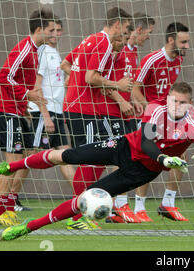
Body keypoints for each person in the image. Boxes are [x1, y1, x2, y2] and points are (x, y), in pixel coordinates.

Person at [0, 82, 194, 241]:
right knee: (68, 155)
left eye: (182, 102)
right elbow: (147, 143)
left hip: (140, 173)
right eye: (173, 100)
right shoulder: (156, 109)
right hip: (123, 147)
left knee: (83, 199)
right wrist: (164, 158)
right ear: (168, 100)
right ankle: (9, 166)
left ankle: (28, 227)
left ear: (189, 104)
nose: (176, 106)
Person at [59, 7, 133, 230]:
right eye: (127, 29)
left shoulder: (89, 39)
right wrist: (117, 85)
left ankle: (82, 211)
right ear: (117, 25)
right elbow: (92, 78)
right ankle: (76, 216)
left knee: (96, 159)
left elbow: (65, 63)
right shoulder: (104, 43)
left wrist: (75, 82)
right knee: (91, 159)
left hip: (80, 107)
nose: (127, 35)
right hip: (84, 109)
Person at [0, 9, 58, 226]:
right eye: (51, 30)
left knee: (27, 159)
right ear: (39, 29)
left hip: (18, 111)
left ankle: (9, 208)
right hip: (6, 111)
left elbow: (19, 81)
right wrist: (28, 95)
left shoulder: (37, 51)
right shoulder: (24, 49)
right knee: (12, 164)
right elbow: (4, 76)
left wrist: (25, 105)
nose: (55, 35)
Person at [131, 22, 191, 222]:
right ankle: (139, 207)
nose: (187, 46)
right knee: (146, 161)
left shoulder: (177, 61)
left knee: (181, 155)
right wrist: (152, 111)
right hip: (150, 118)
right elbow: (135, 90)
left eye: (188, 42)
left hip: (168, 118)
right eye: (183, 42)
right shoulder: (152, 60)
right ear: (171, 40)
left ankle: (168, 203)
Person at [103, 13, 156, 224]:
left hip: (126, 111)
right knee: (118, 156)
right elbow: (105, 79)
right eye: (148, 34)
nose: (148, 39)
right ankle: (116, 206)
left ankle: (118, 206)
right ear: (139, 30)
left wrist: (132, 101)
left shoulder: (133, 54)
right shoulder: (118, 48)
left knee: (129, 156)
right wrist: (121, 100)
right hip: (111, 110)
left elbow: (129, 84)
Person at [25, 18, 75, 203]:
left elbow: (54, 83)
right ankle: (7, 198)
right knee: (30, 158)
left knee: (65, 154)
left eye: (59, 30)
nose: (56, 34)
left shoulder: (54, 52)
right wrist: (45, 115)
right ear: (43, 30)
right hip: (44, 113)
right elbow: (37, 86)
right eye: (52, 30)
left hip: (57, 112)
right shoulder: (43, 52)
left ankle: (81, 197)